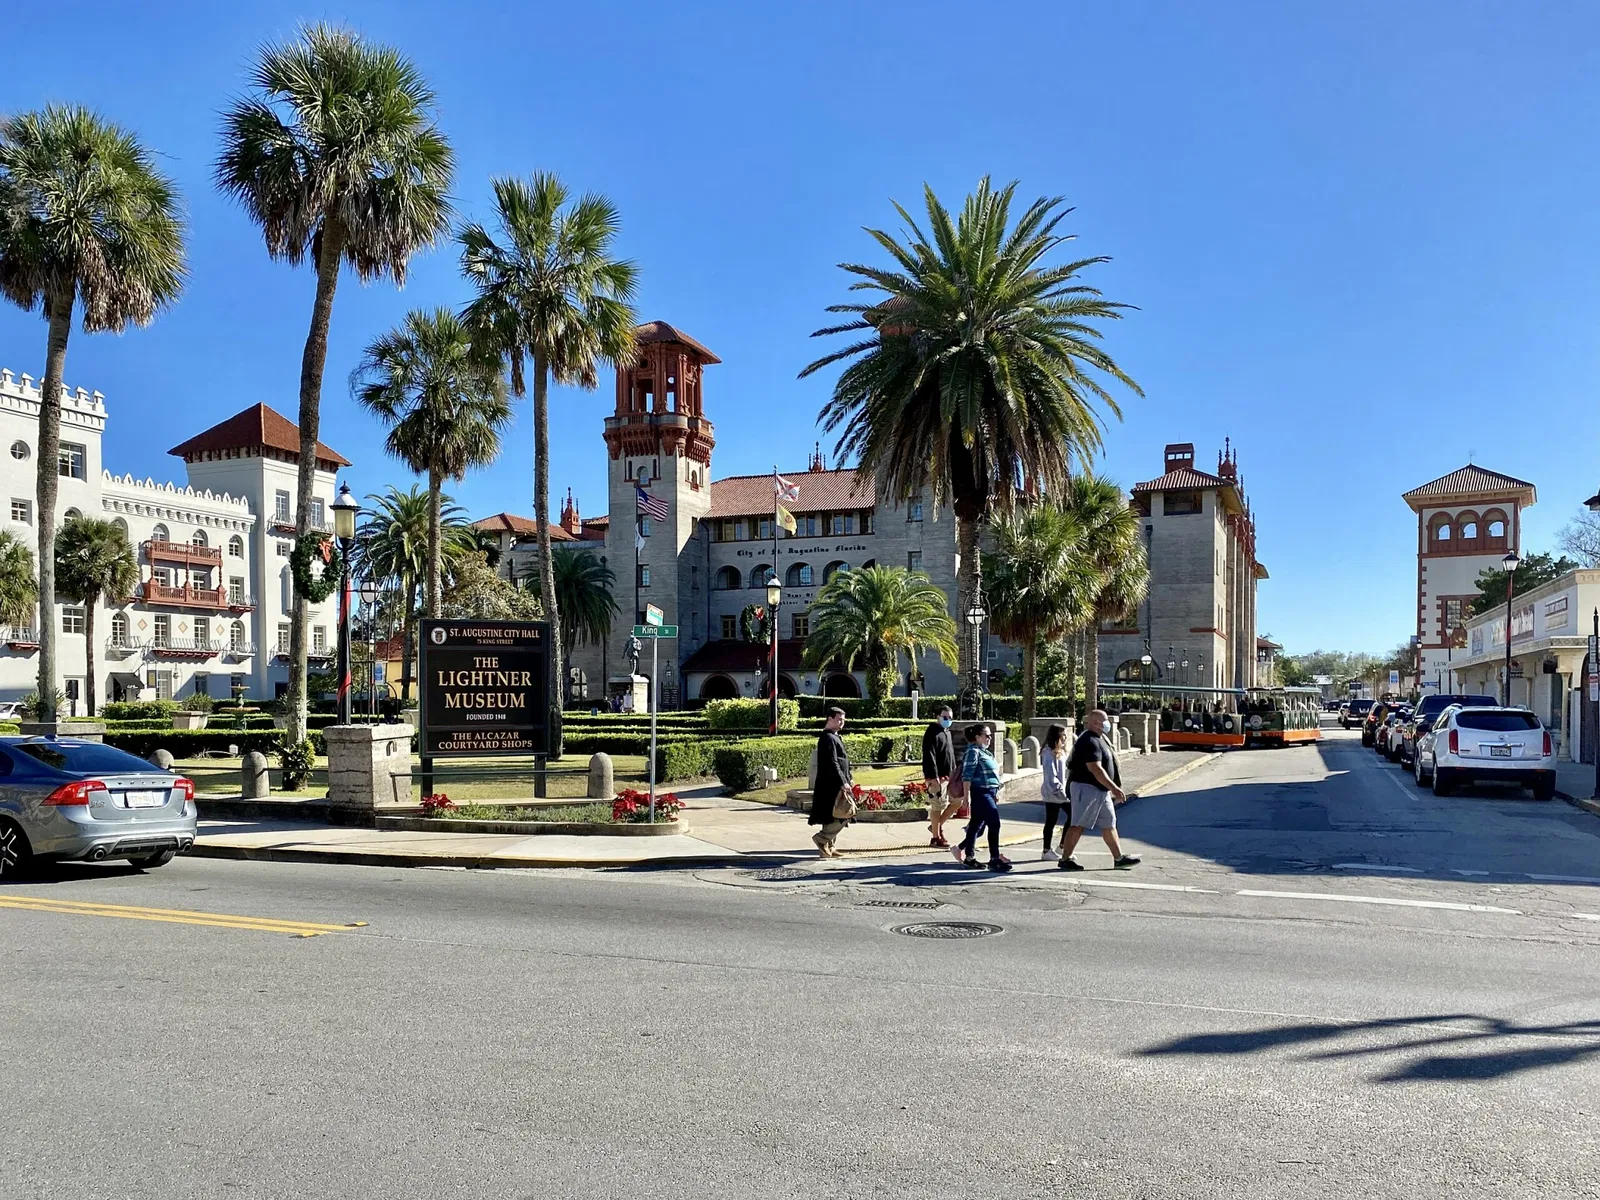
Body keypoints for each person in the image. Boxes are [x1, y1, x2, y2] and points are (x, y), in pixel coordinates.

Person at [1059, 709, 1140, 871]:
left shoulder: (1100, 739)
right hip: (1086, 788)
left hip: (1100, 791)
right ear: (1095, 722)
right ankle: (1065, 859)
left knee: (1109, 824)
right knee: (1078, 824)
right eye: (1104, 720)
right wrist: (1115, 788)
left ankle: (1118, 858)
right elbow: (1095, 769)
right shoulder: (1088, 741)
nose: (1107, 723)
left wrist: (1110, 788)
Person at [950, 723, 1011, 872]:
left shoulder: (986, 753)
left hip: (989, 792)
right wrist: (966, 797)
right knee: (994, 823)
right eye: (986, 735)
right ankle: (994, 859)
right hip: (981, 792)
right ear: (977, 737)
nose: (989, 738)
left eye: (990, 736)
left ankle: (969, 857)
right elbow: (967, 775)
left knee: (976, 824)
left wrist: (995, 791)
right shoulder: (973, 752)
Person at [808, 706, 853, 858]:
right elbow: (832, 762)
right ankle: (822, 839)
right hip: (831, 785)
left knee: (833, 815)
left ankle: (829, 846)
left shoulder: (834, 737)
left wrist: (849, 778)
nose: (842, 722)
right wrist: (843, 782)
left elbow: (842, 761)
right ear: (830, 719)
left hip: (836, 783)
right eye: (839, 719)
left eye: (843, 719)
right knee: (843, 814)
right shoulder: (827, 738)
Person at [921, 705, 959, 848]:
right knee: (937, 806)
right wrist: (932, 776)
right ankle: (936, 837)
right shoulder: (932, 732)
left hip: (950, 777)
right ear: (938, 717)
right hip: (937, 777)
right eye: (945, 717)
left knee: (958, 801)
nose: (948, 720)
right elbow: (929, 756)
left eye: (950, 717)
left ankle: (936, 825)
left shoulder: (947, 732)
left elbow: (950, 756)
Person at [1039, 723, 1070, 861]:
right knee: (1051, 821)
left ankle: (1062, 846)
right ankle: (1047, 850)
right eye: (1063, 735)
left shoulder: (1060, 752)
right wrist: (1060, 791)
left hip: (1061, 793)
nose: (1065, 738)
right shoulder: (1048, 753)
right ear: (1057, 736)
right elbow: (1051, 776)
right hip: (1054, 793)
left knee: (1072, 816)